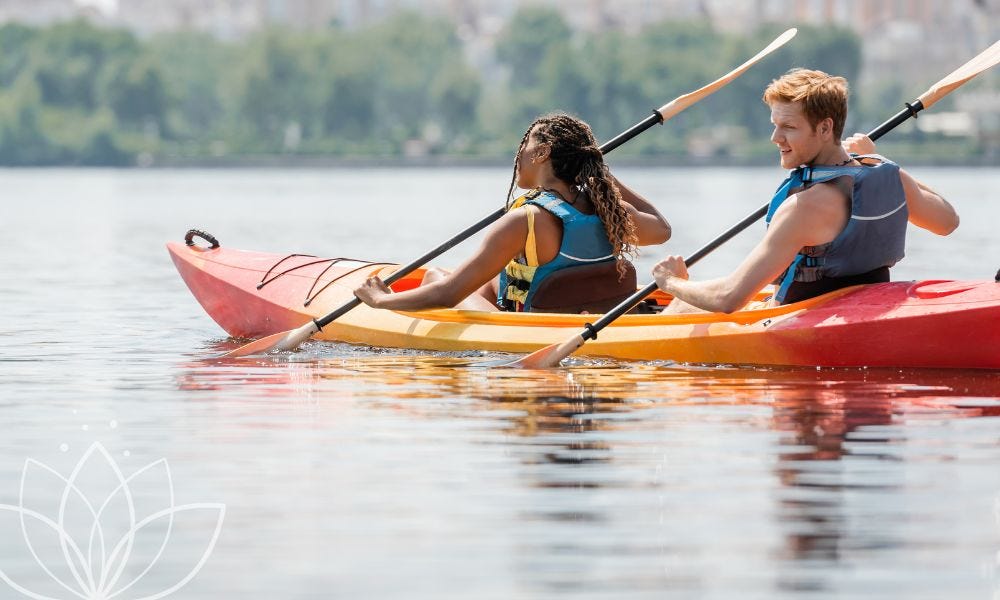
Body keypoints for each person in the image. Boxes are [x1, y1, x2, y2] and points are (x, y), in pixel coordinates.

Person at [652, 68, 959, 313]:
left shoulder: (803, 208)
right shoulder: (888, 177)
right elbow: (947, 221)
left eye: (789, 127)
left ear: (825, 129)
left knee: (682, 302)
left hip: (797, 319)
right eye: (775, 124)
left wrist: (671, 282)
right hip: (861, 306)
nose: (775, 137)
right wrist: (880, 159)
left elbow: (729, 299)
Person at [353, 112, 671, 312]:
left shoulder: (524, 221)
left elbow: (449, 295)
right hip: (598, 320)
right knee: (491, 284)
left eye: (526, 144)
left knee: (438, 276)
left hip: (538, 332)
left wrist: (382, 301)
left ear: (543, 153)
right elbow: (662, 229)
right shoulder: (611, 211)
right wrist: (605, 177)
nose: (519, 153)